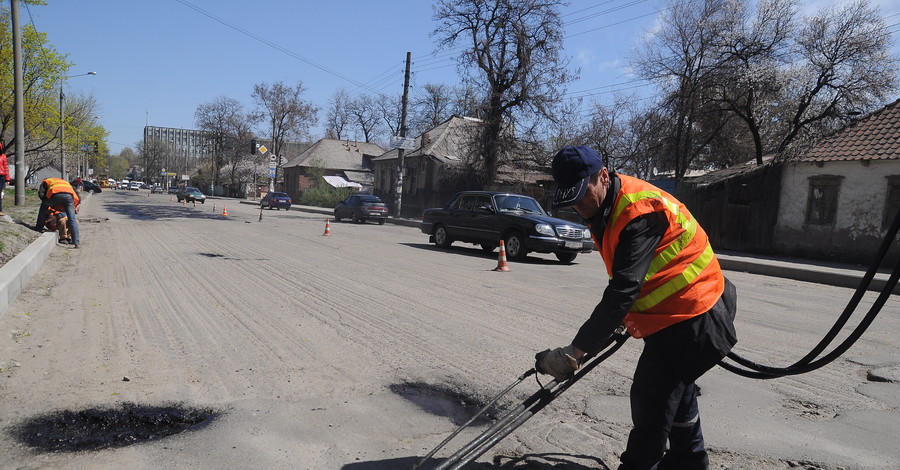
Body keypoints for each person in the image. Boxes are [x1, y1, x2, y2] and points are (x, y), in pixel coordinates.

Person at [535, 146, 737, 470]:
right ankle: (691, 461)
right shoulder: (603, 208)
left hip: (695, 313)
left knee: (651, 400)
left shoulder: (638, 211)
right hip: (672, 315)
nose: (578, 206)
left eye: (581, 195)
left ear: (603, 176)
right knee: (677, 394)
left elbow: (622, 291)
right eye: (569, 199)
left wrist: (574, 351)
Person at [35, 177, 81, 248]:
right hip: (69, 197)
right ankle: (76, 243)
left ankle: (39, 227)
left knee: (44, 206)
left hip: (55, 194)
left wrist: (47, 202)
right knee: (72, 219)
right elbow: (75, 191)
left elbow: (41, 194)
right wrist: (78, 203)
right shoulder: (64, 182)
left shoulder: (46, 181)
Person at [0, 142, 10, 216]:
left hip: (1, 176)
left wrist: (7, 179)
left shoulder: (3, 156)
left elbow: (6, 168)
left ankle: (0, 210)